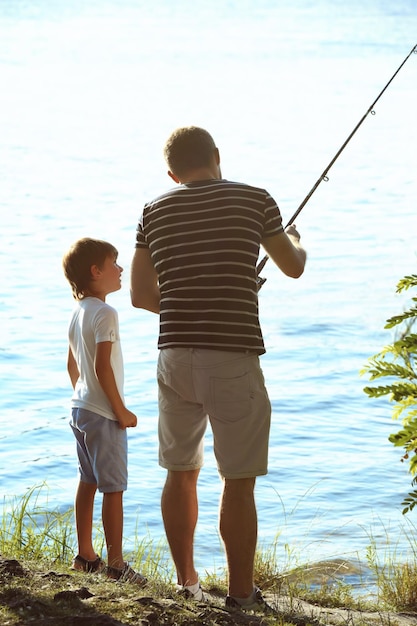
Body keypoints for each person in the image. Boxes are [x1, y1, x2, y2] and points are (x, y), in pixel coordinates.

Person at [130, 126, 306, 612]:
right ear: (217, 157)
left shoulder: (153, 211)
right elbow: (293, 267)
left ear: (172, 173)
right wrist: (292, 239)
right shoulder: (256, 200)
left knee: (180, 471)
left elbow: (142, 296)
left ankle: (186, 583)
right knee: (238, 479)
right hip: (231, 357)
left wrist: (194, 297)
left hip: (173, 358)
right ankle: (241, 596)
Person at [63, 237, 146, 585]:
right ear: (96, 272)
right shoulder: (107, 313)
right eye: (114, 263)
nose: (121, 268)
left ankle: (85, 555)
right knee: (113, 488)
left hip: (80, 409)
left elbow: (72, 365)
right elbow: (102, 368)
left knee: (88, 481)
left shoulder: (78, 312)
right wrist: (119, 410)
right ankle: (116, 564)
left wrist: (85, 398)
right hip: (102, 414)